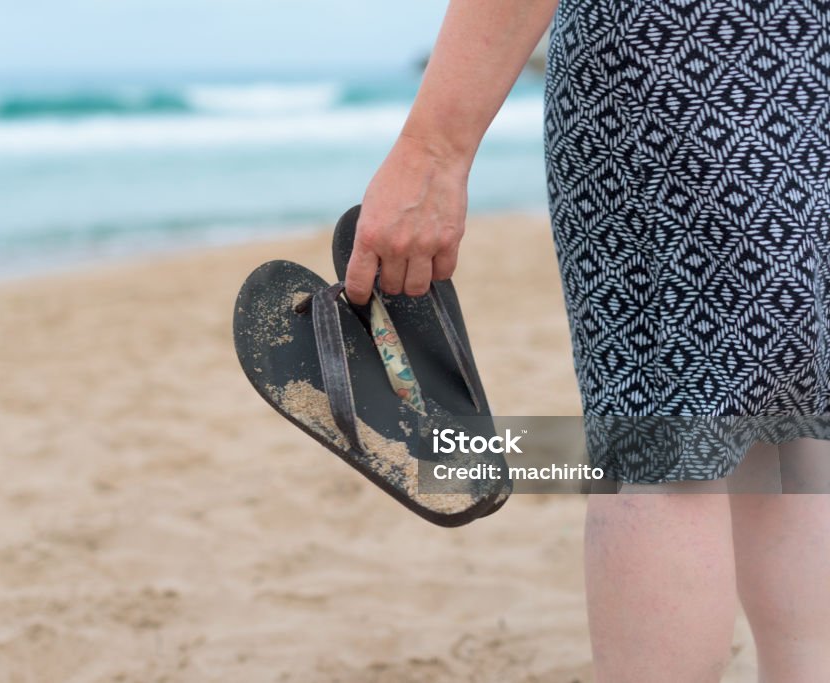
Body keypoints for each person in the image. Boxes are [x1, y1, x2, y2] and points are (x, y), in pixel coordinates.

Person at [344, 0, 830, 680]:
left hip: (673, 53)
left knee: (660, 444)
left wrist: (435, 148)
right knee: (787, 415)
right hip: (803, 51)